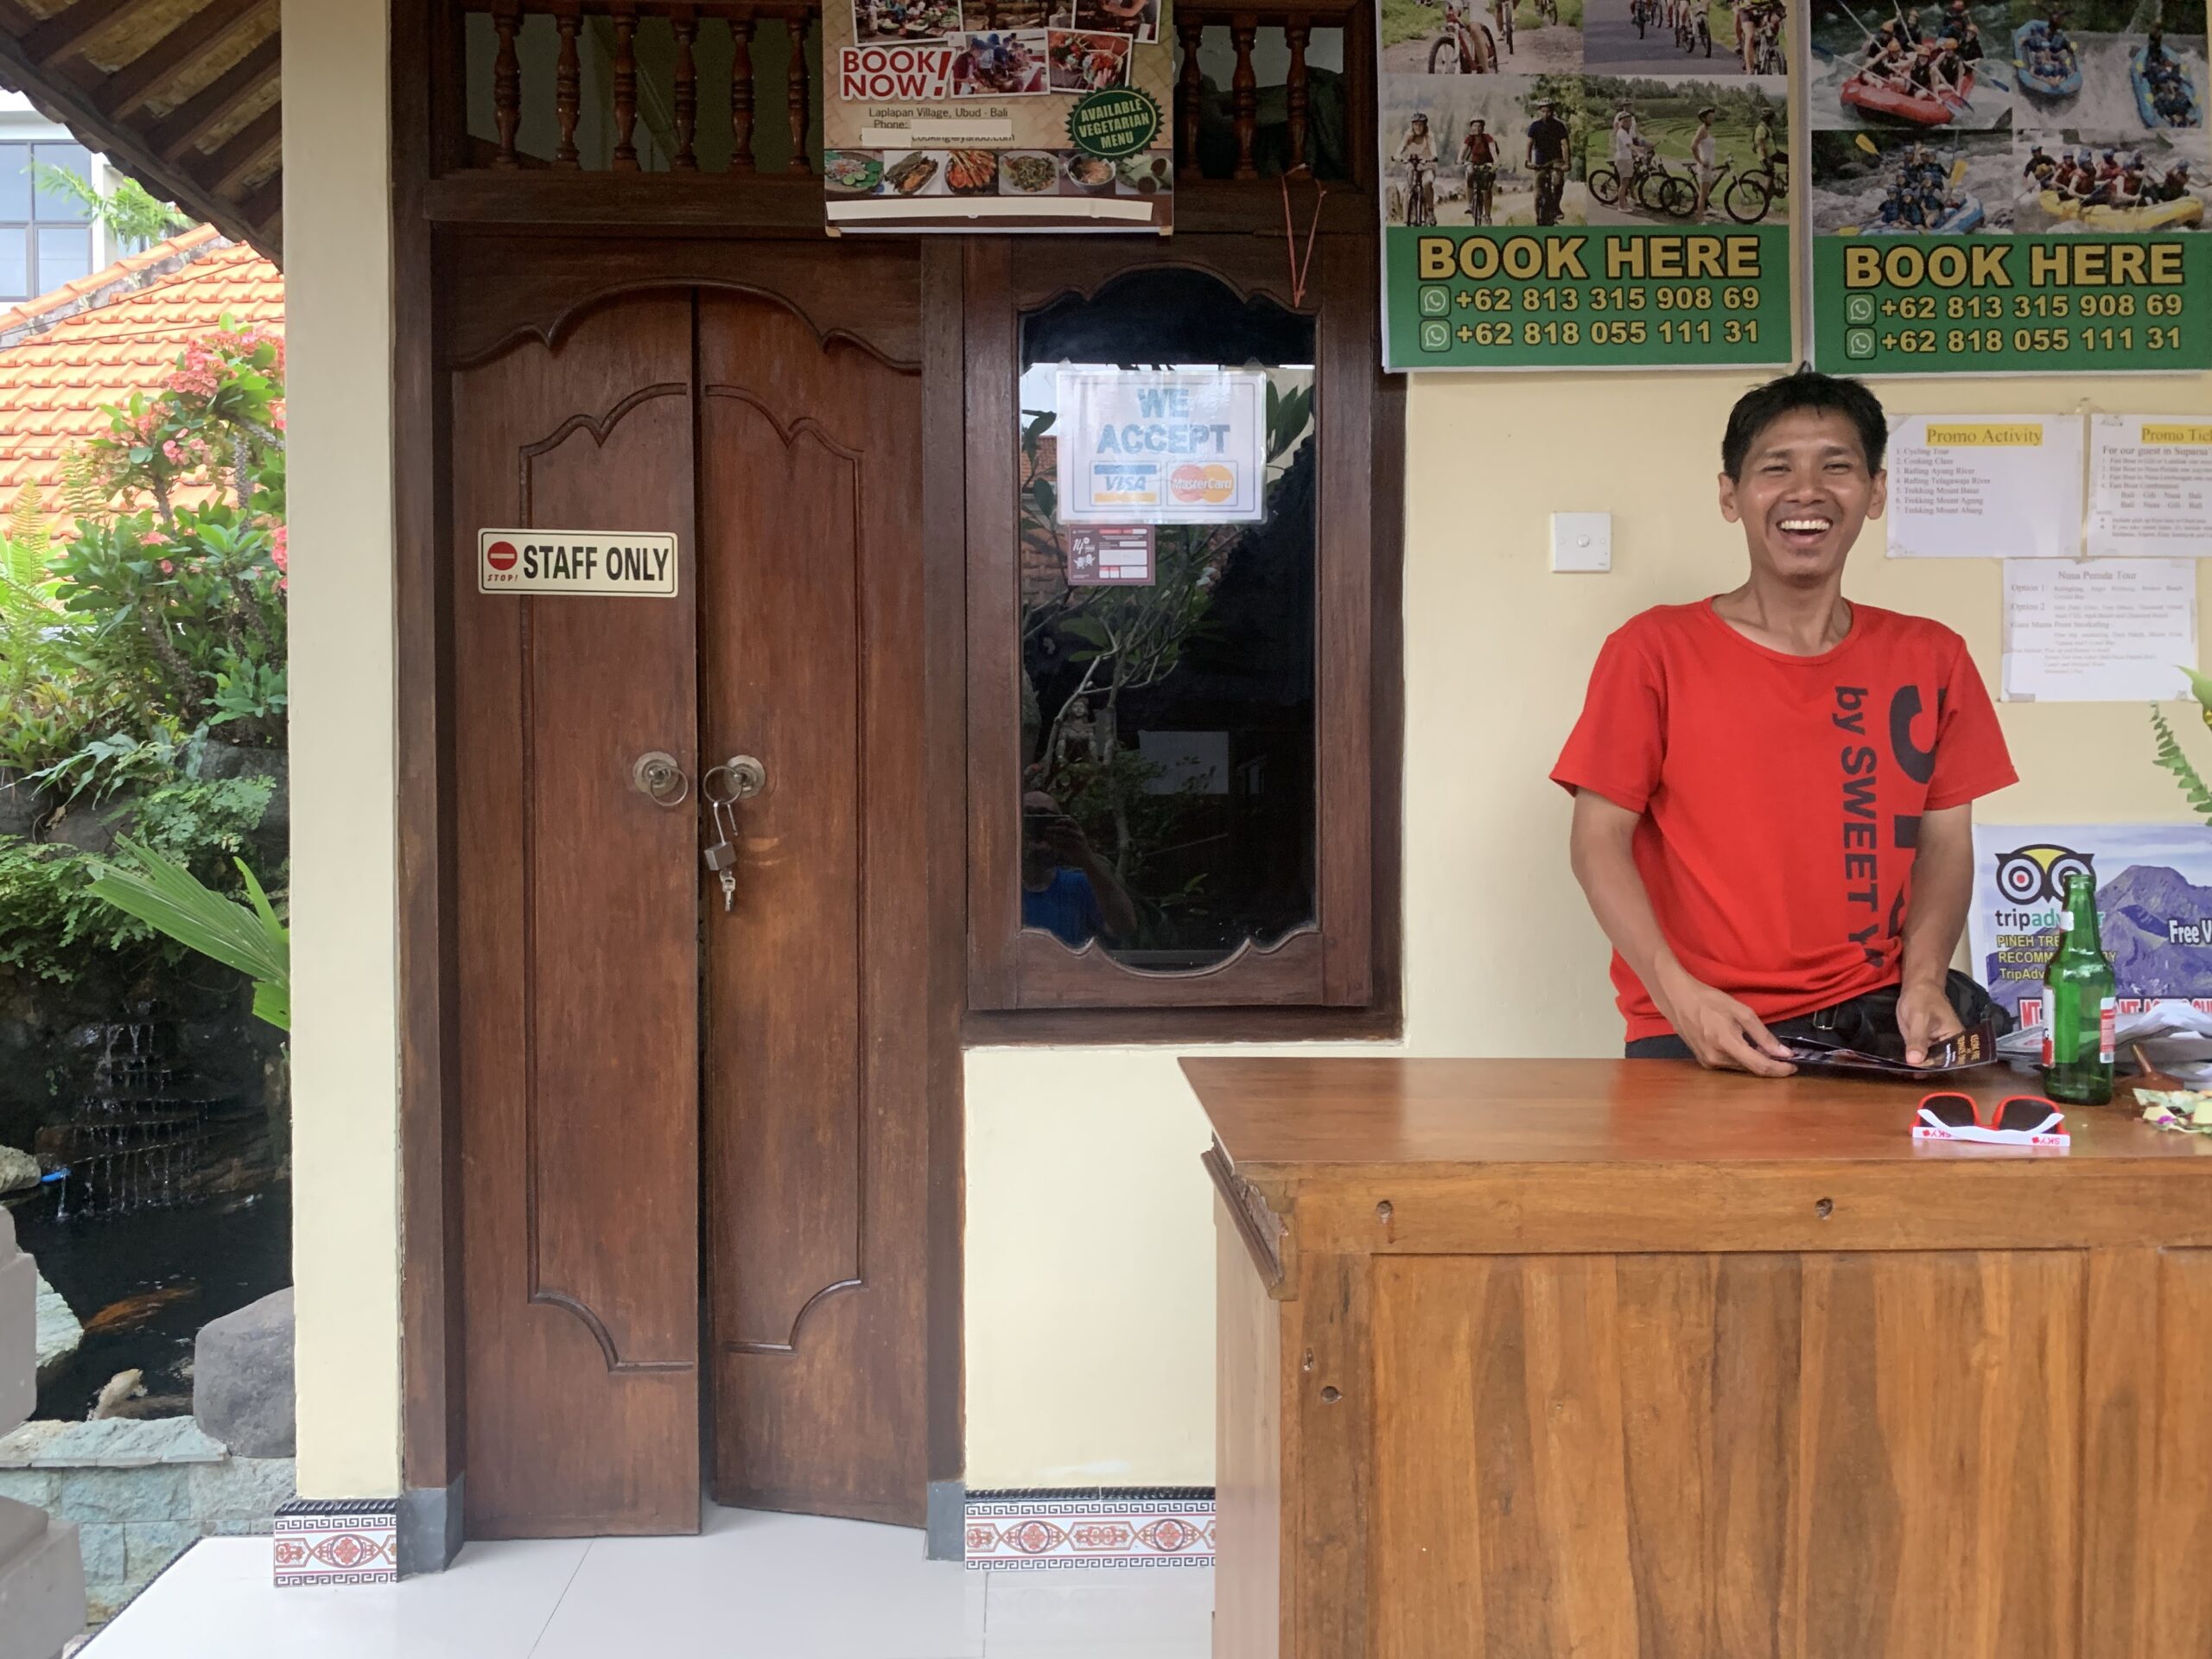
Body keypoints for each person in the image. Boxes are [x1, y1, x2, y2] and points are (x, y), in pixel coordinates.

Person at [1554, 372, 2017, 1072]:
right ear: (1730, 495)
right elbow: (1597, 841)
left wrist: (1923, 978)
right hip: (1697, 1026)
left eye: (1837, 466)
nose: (1808, 491)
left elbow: (1946, 844)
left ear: (1876, 492)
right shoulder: (1653, 650)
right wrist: (1678, 997)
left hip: (1877, 1028)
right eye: (1777, 468)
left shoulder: (1933, 656)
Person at [1020, 792, 1138, 948]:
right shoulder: (994, 891)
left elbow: (1125, 926)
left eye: (1045, 820)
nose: (1035, 829)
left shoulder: (1082, 885)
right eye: (1027, 819)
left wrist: (1085, 855)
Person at [1526, 96, 1571, 225]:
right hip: (1540, 162)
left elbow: (1565, 146)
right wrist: (1528, 161)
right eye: (1543, 111)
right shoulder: (1535, 126)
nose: (1546, 114)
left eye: (1549, 111)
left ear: (1553, 111)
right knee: (1537, 193)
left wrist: (1567, 163)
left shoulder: (1559, 126)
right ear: (1540, 111)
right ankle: (1538, 217)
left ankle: (1556, 206)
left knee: (1557, 180)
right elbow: (1529, 144)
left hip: (1556, 160)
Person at [1462, 117, 1502, 224]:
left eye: (1480, 126)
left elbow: (1493, 149)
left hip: (1487, 164)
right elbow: (1462, 151)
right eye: (1474, 126)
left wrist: (1496, 162)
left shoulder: (1487, 138)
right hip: (1474, 164)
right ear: (1471, 128)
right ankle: (1469, 205)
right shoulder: (1469, 138)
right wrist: (1461, 160)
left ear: (1483, 128)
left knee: (1486, 189)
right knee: (1469, 175)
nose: (1477, 129)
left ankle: (1487, 215)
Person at [1689, 104, 1717, 218]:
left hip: (1709, 166)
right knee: (1702, 195)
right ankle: (1700, 220)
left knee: (1705, 194)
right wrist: (1700, 161)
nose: (1712, 119)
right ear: (1704, 118)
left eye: (1712, 117)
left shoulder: (1706, 130)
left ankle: (1705, 211)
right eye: (1710, 117)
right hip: (1704, 166)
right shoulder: (1701, 130)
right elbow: (1693, 146)